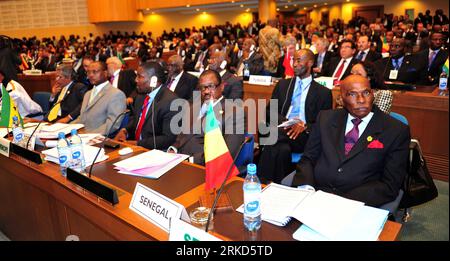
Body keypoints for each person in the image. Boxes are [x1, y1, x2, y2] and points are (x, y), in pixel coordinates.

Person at [292, 75, 411, 207]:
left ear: (372, 94)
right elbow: (308, 158)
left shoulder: (396, 130)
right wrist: (307, 188)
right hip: (316, 194)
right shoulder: (325, 118)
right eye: (352, 94)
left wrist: (342, 202)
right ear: (341, 99)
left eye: (366, 93)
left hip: (358, 202)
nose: (361, 100)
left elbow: (390, 184)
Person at [258, 49, 333, 184]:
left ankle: (261, 181)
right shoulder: (283, 85)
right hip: (283, 129)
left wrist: (304, 126)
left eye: (299, 60)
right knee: (282, 150)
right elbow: (269, 111)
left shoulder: (323, 92)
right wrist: (288, 123)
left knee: (272, 136)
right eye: (294, 60)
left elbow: (324, 123)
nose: (294, 64)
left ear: (310, 63)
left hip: (304, 135)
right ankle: (279, 185)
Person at [168, 70, 245, 165]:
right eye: (202, 88)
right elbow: (182, 136)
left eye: (211, 86)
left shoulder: (235, 112)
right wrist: (173, 149)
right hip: (178, 160)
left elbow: (227, 153)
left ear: (222, 87)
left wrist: (191, 160)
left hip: (204, 167)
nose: (206, 91)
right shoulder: (193, 107)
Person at [114, 62, 179, 150]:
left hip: (154, 151)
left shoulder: (171, 101)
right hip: (133, 147)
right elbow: (136, 119)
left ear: (153, 81)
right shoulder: (141, 95)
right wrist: (125, 130)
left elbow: (168, 138)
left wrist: (137, 143)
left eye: (140, 76)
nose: (136, 80)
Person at [71, 61, 126, 135]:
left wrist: (88, 135)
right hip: (81, 136)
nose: (90, 75)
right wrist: (66, 128)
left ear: (105, 73)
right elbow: (82, 118)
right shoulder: (88, 94)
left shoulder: (116, 94)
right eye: (88, 72)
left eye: (94, 72)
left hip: (98, 139)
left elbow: (112, 124)